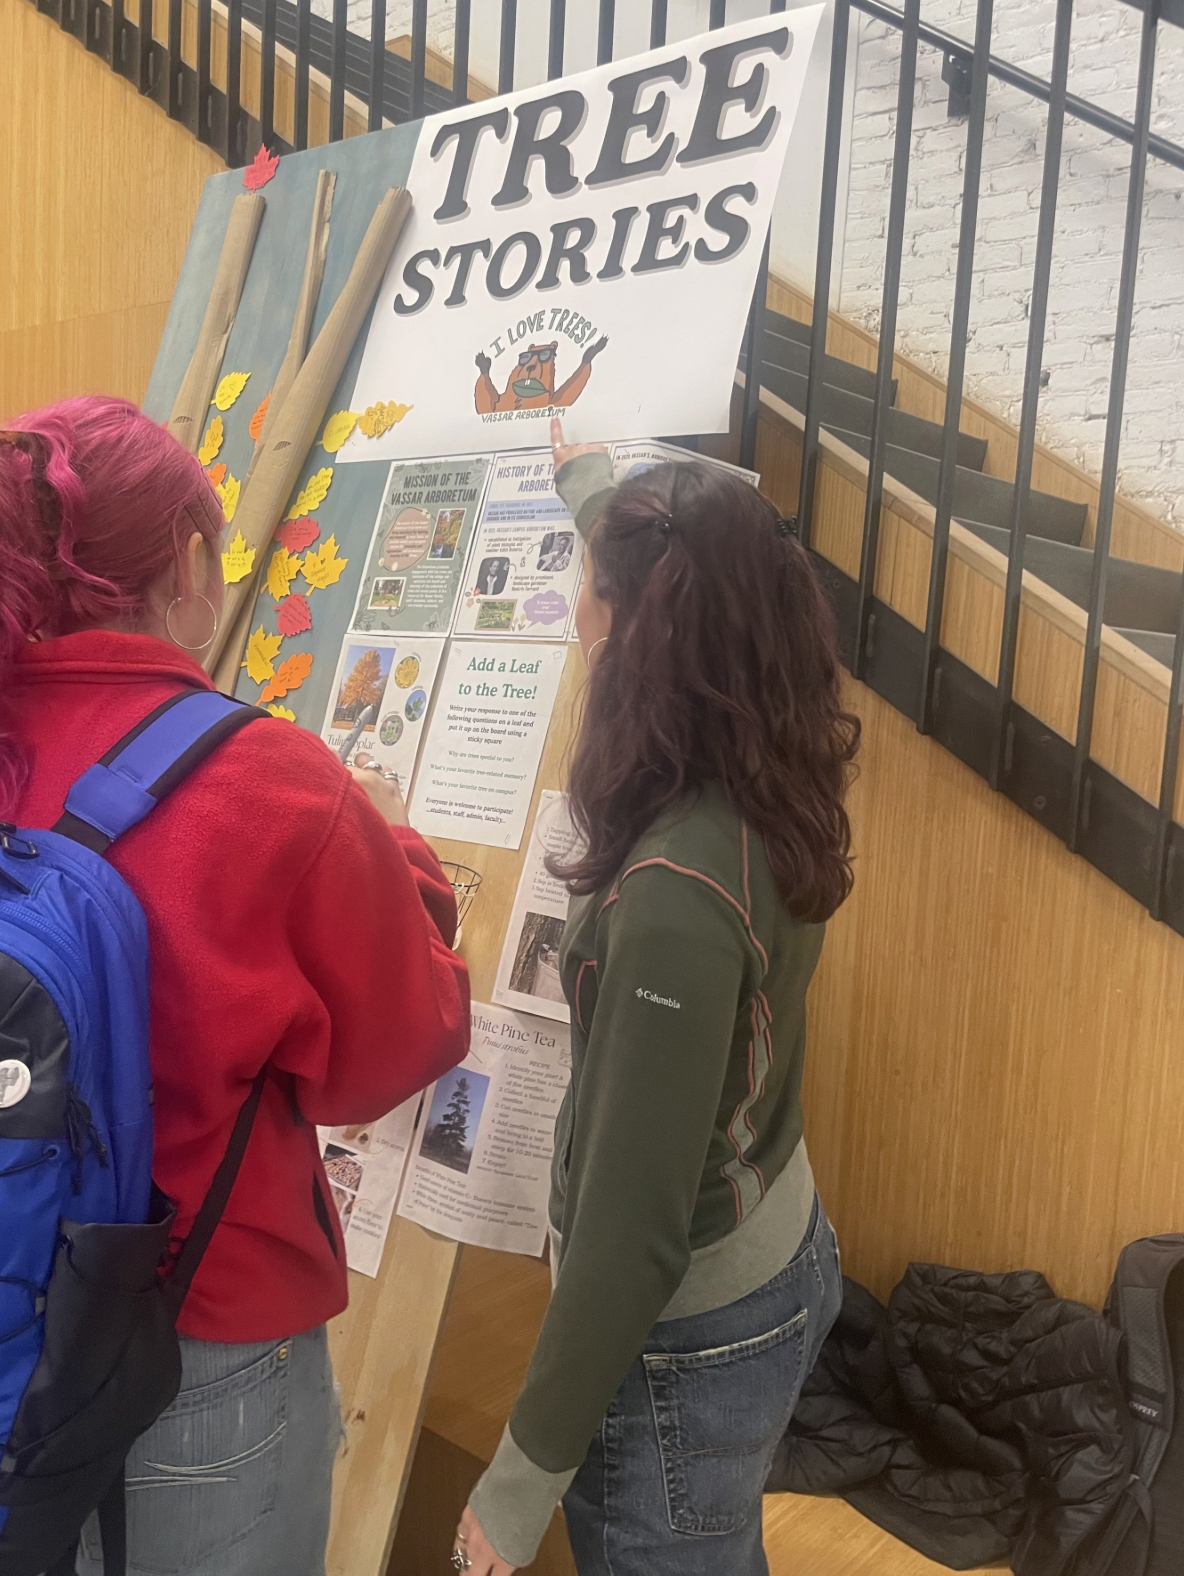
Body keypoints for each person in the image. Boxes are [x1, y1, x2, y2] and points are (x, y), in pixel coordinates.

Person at [0, 397, 470, 1576]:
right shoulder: (268, 779)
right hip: (196, 1342)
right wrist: (401, 852)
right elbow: (393, 1048)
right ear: (189, 565)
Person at [453, 418, 860, 1576]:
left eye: (591, 591)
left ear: (650, 637)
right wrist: (587, 479)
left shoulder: (673, 901)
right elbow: (691, 567)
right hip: (775, 1228)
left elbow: (630, 1240)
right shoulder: (762, 754)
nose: (577, 612)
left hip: (689, 1334)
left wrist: (516, 1484)